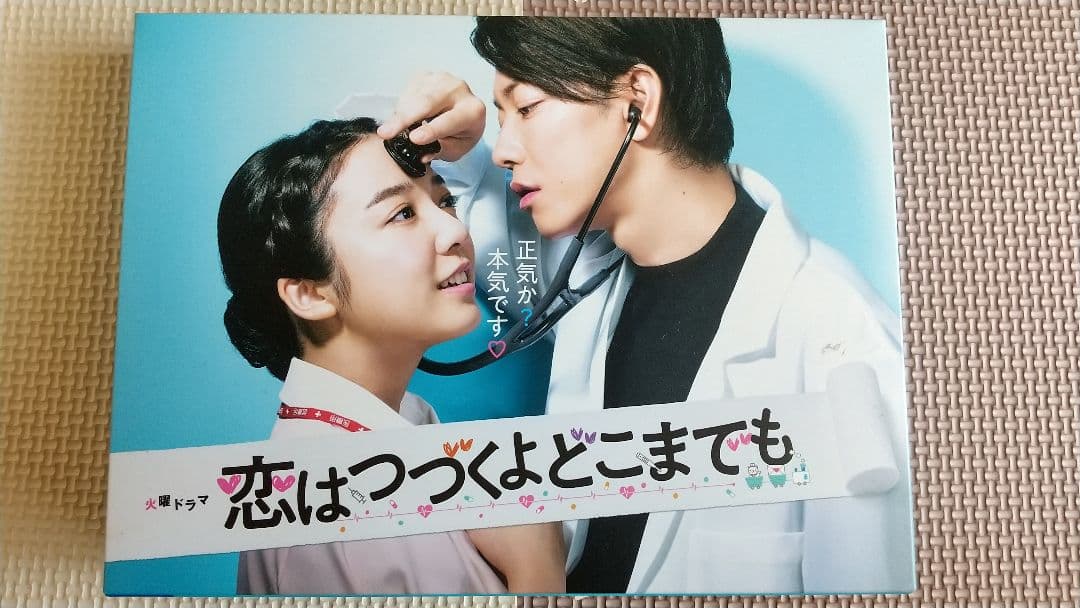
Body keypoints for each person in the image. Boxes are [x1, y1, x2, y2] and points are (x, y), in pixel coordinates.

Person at [373, 17, 914, 594]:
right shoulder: (582, 274)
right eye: (503, 120)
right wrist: (441, 142)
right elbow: (434, 225)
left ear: (638, 101)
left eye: (526, 108)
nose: (505, 151)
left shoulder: (841, 342)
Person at [217, 117, 565, 594]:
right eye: (402, 214)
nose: (453, 229)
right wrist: (538, 566)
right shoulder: (333, 507)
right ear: (309, 293)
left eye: (444, 200)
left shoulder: (389, 440)